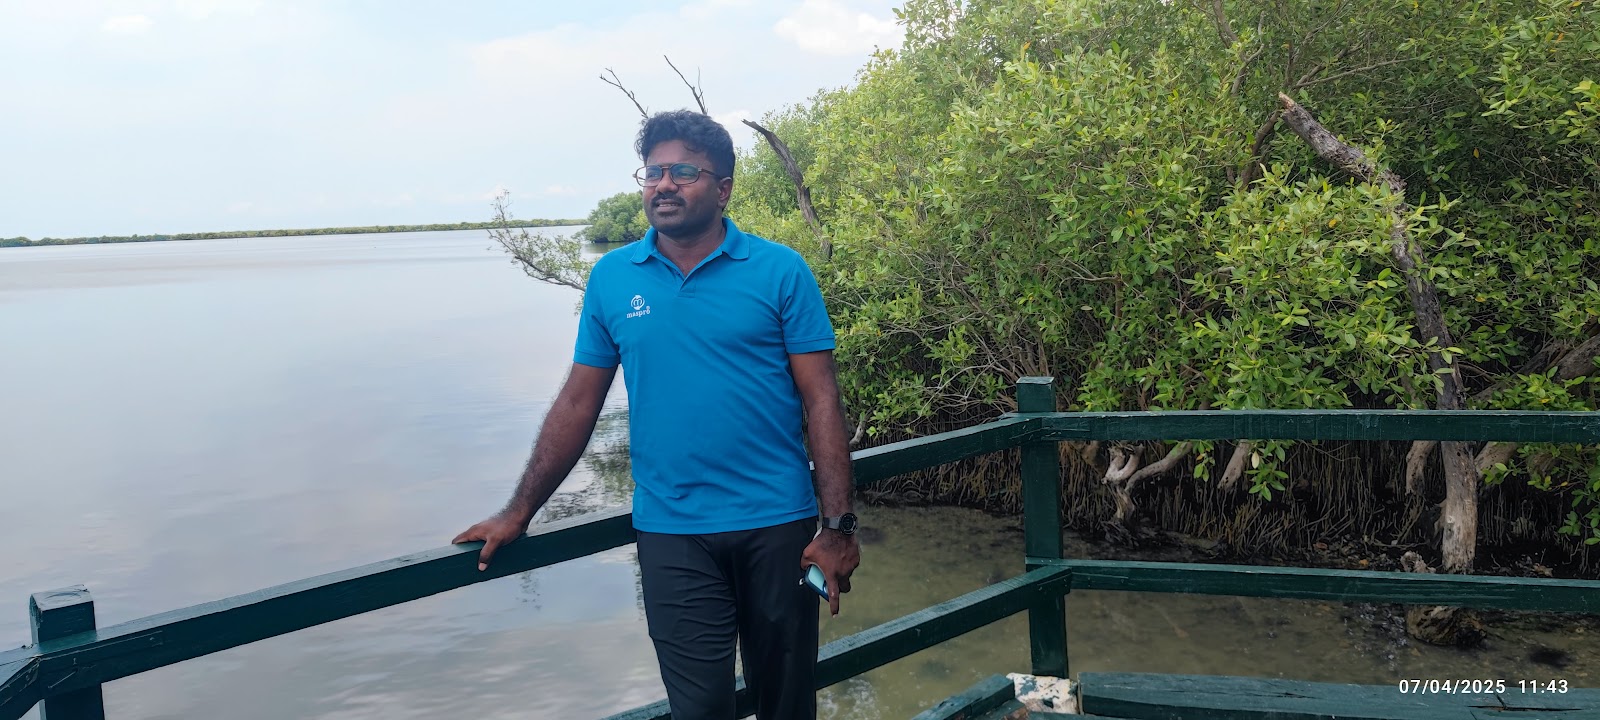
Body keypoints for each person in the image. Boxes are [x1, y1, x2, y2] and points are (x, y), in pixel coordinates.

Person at [453, 110, 860, 720]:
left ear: (722, 188)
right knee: (698, 709)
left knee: (786, 704)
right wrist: (519, 510)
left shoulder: (780, 271)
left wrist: (837, 527)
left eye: (684, 172)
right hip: (673, 533)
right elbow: (577, 402)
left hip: (778, 527)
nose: (663, 184)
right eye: (653, 171)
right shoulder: (614, 278)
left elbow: (821, 399)